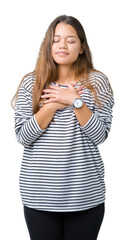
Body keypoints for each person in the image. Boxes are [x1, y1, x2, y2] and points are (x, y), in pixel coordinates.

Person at [12, 15, 114, 240]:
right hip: (39, 196)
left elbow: (100, 135)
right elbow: (22, 136)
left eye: (71, 40)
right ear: (48, 46)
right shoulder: (32, 82)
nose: (62, 45)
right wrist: (53, 105)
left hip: (85, 195)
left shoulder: (97, 83)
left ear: (81, 47)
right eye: (56, 40)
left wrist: (75, 101)